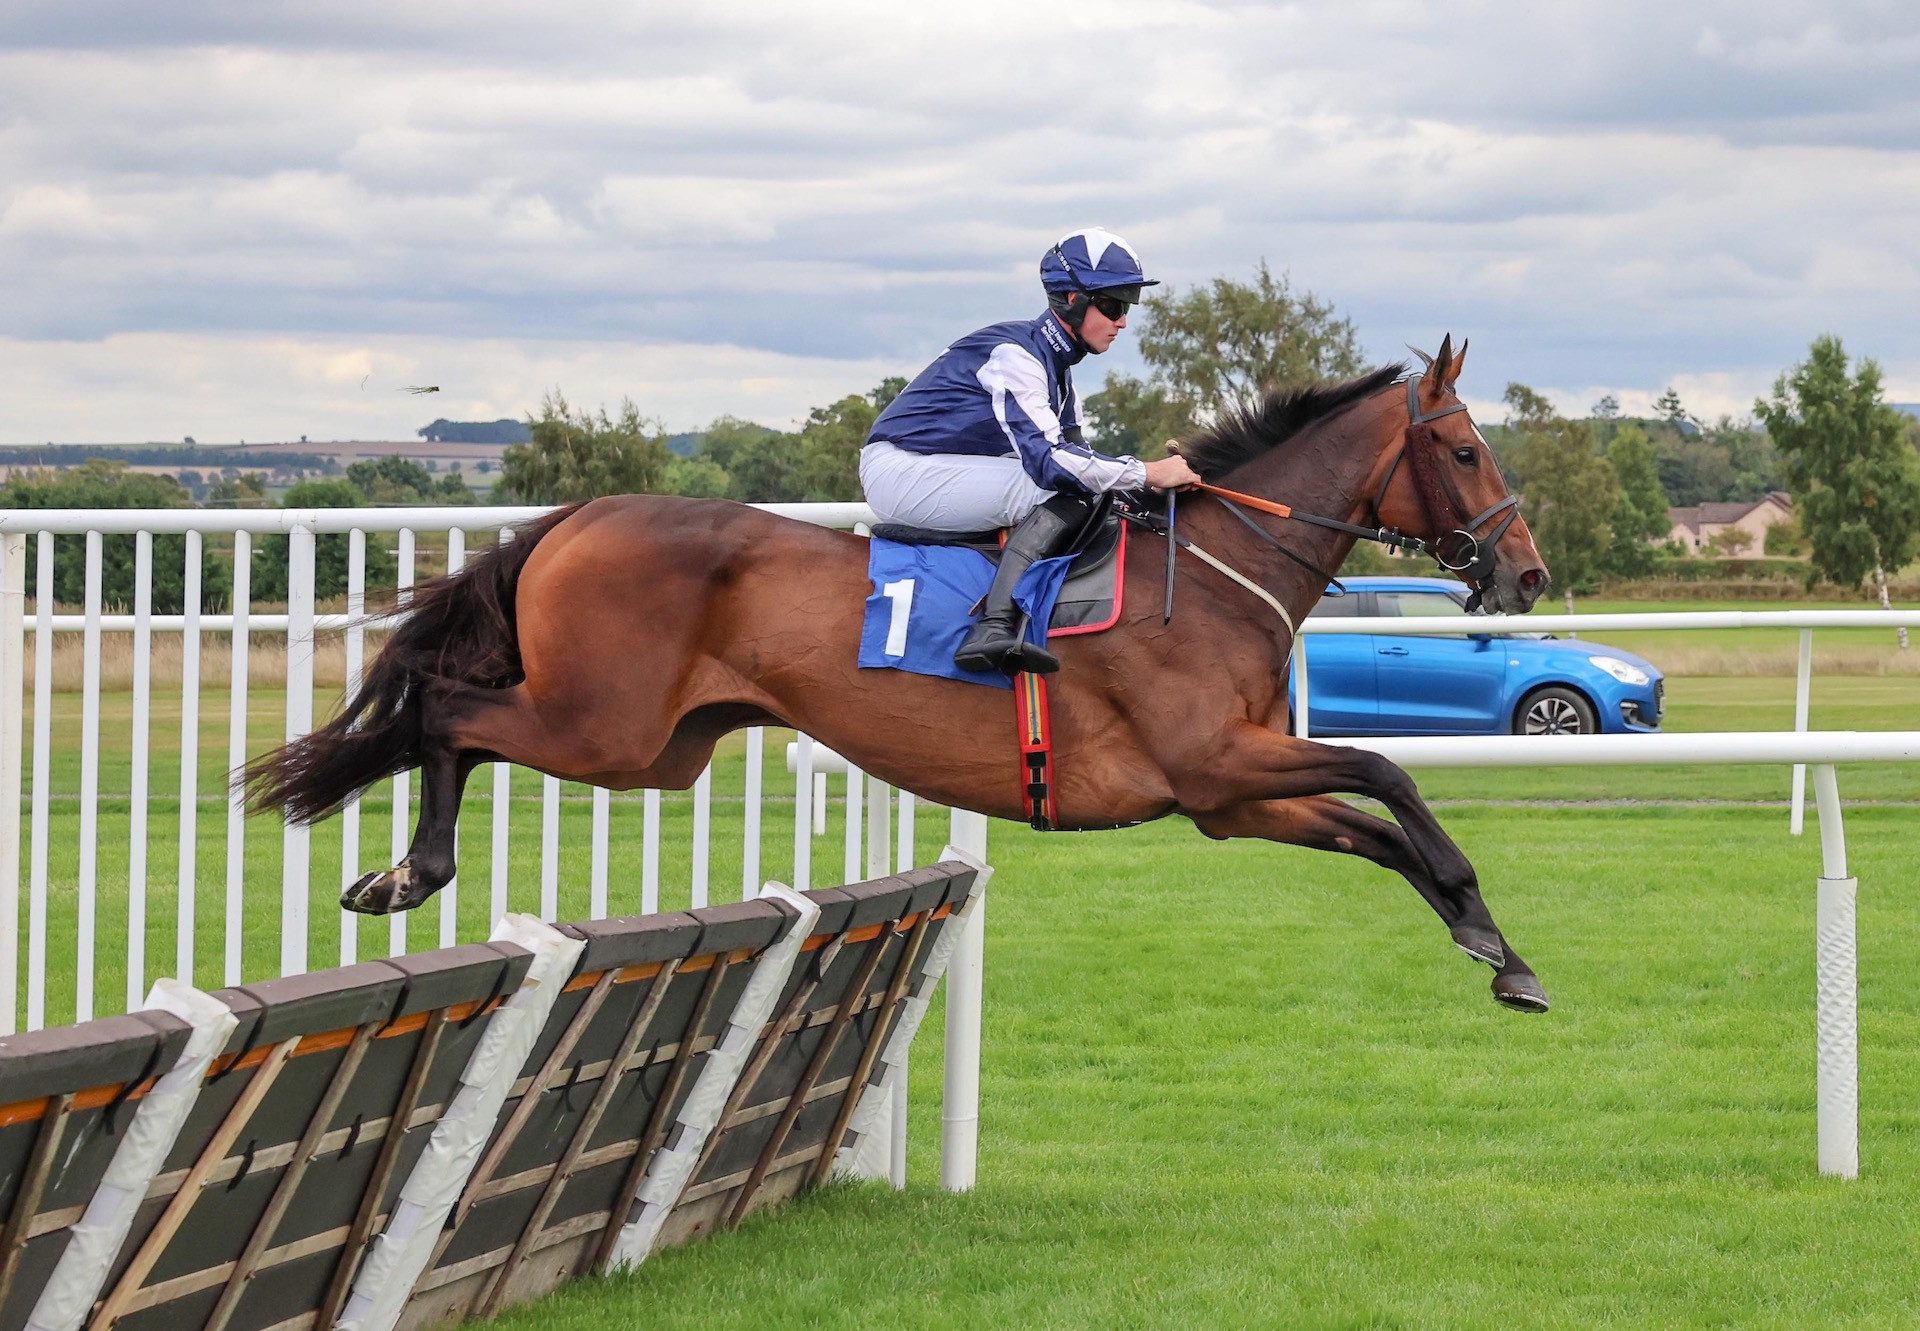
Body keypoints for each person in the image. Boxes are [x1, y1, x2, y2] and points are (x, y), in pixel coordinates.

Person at [861, 227, 1200, 675]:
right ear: (1071, 301)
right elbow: (1049, 464)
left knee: (1094, 490)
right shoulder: (1018, 355)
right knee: (1060, 489)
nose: (1123, 322)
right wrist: (1148, 472)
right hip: (900, 470)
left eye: (1127, 306)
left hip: (936, 465)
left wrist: (1142, 495)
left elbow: (1081, 455)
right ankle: (994, 627)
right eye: (1115, 306)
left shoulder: (1058, 372)